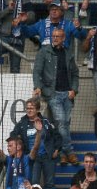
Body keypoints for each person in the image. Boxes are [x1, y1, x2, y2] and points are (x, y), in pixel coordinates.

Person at [33, 27, 79, 165]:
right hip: (52, 94)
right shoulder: (44, 52)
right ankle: (69, 151)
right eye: (53, 36)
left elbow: (75, 74)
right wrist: (38, 87)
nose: (55, 38)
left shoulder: (68, 53)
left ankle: (62, 153)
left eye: (58, 36)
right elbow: (37, 71)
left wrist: (74, 90)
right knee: (61, 122)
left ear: (63, 38)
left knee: (64, 125)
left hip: (68, 94)